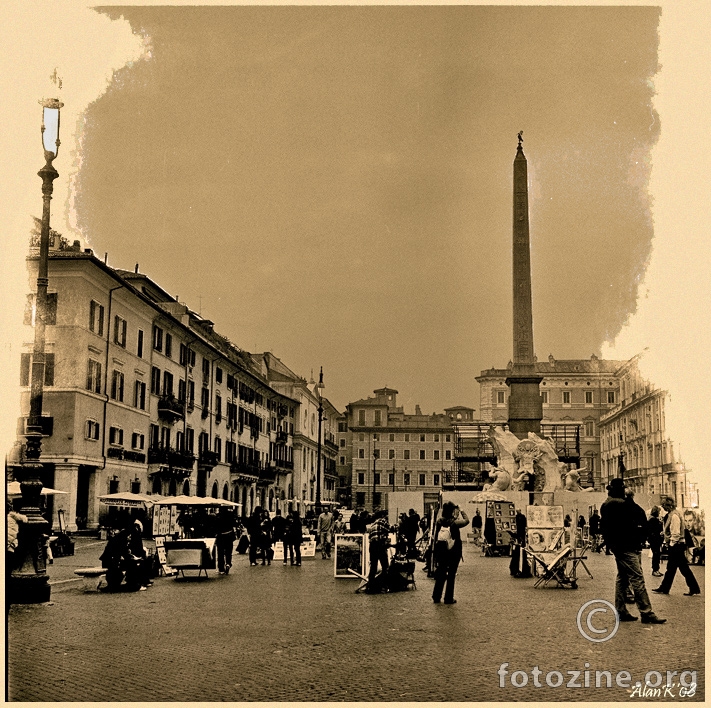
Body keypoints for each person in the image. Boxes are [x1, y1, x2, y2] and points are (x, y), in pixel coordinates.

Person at [600, 478, 665, 624]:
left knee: (623, 578)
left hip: (619, 546)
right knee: (637, 578)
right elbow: (635, 518)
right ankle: (646, 612)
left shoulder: (607, 504)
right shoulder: (620, 504)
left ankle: (621, 610)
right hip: (627, 545)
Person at [652, 496, 701, 596]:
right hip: (677, 545)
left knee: (679, 569)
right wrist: (665, 533)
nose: (663, 507)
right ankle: (665, 587)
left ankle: (692, 588)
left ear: (669, 505)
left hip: (676, 546)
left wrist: (671, 543)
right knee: (674, 568)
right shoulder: (673, 514)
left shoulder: (674, 516)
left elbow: (676, 533)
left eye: (664, 505)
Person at [432, 502, 469, 604]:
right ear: (452, 511)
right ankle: (448, 598)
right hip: (453, 552)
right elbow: (466, 521)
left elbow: (435, 537)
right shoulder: (454, 523)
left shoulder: (439, 521)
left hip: (441, 551)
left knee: (441, 573)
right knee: (451, 575)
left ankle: (436, 596)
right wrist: (461, 510)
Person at [366, 510, 391, 589]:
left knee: (373, 566)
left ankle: (371, 585)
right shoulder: (383, 521)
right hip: (379, 545)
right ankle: (383, 584)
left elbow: (370, 536)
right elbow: (389, 529)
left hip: (372, 546)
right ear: (383, 515)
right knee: (385, 566)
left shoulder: (373, 524)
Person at [216, 507, 237, 574]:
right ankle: (228, 563)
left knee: (220, 553)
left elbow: (215, 527)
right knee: (228, 552)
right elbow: (234, 524)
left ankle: (221, 569)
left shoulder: (218, 517)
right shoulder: (230, 516)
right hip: (229, 535)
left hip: (221, 536)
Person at [647, 506, 664, 577]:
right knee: (656, 554)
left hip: (653, 540)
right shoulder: (654, 520)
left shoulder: (650, 519)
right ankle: (655, 570)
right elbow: (658, 530)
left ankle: (656, 569)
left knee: (656, 554)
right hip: (655, 540)